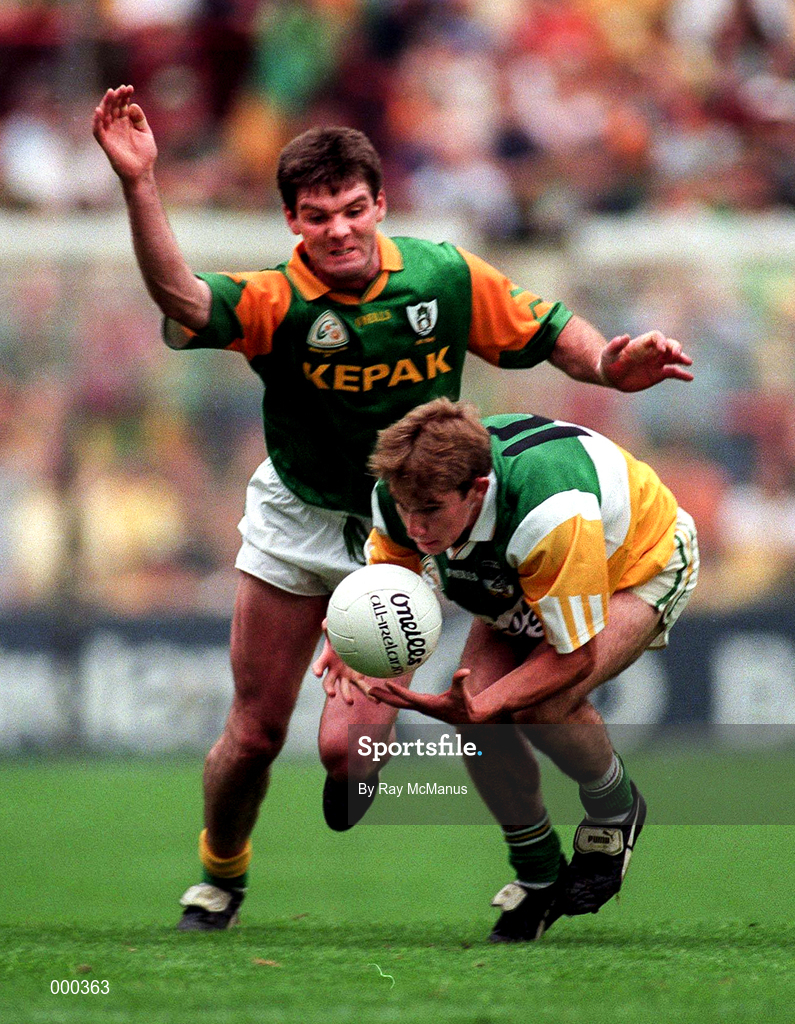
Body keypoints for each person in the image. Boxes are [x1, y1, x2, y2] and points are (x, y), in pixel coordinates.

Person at [92, 83, 694, 933]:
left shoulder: (443, 277)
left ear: (379, 204)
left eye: (351, 209)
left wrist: (606, 364)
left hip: (412, 522)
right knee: (255, 733)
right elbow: (184, 301)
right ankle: (220, 876)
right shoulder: (275, 300)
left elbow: (550, 329)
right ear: (292, 222)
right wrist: (139, 182)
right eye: (315, 216)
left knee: (353, 750)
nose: (337, 229)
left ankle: (530, 848)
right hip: (302, 515)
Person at [315, 397, 699, 940]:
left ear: (477, 490)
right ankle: (539, 875)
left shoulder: (549, 513)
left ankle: (615, 810)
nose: (415, 526)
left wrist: (482, 706)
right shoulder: (401, 490)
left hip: (636, 562)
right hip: (522, 574)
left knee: (541, 706)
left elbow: (574, 656)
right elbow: (392, 577)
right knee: (371, 743)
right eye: (406, 508)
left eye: (430, 510)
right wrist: (352, 630)